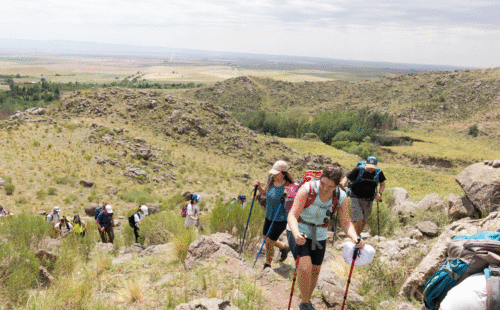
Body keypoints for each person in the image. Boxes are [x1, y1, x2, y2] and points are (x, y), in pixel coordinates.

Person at [288, 164, 365, 310]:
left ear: (337, 185)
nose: (325, 188)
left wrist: (355, 238)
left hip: (319, 234)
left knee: (315, 270)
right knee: (305, 267)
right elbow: (292, 215)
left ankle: (306, 300)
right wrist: (296, 233)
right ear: (320, 179)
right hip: (300, 230)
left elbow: (346, 222)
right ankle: (304, 305)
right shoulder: (308, 189)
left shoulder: (341, 196)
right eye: (323, 183)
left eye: (330, 186)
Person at [253, 160, 294, 269]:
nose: (273, 175)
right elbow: (264, 193)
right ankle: (284, 247)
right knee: (265, 238)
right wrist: (258, 187)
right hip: (269, 215)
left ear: (283, 173)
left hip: (280, 218)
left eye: (276, 173)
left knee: (269, 241)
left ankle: (267, 264)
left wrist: (286, 196)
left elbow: (292, 203)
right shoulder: (270, 179)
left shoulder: (289, 186)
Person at [340, 156, 386, 235]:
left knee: (364, 221)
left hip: (369, 199)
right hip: (355, 196)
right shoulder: (358, 170)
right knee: (358, 219)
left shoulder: (378, 172)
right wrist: (343, 184)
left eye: (373, 167)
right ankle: (355, 237)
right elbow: (347, 178)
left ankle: (357, 235)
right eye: (369, 167)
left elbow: (382, 184)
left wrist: (380, 193)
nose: (371, 169)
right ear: (366, 164)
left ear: (376, 166)